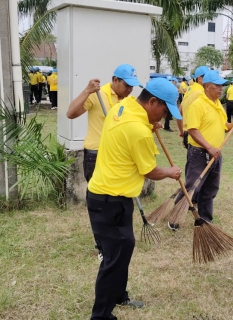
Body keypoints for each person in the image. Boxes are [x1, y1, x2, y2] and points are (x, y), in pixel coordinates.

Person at [86, 77, 183, 320]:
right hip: (110, 200)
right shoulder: (139, 131)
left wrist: (150, 126)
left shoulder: (122, 106)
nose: (164, 117)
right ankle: (101, 315)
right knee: (113, 258)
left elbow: (126, 134)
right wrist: (171, 173)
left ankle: (119, 295)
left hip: (109, 196)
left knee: (125, 246)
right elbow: (149, 170)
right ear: (152, 101)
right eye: (163, 111)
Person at [66, 64, 141, 261]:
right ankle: (101, 245)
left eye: (133, 86)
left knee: (116, 202)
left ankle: (115, 240)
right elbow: (71, 113)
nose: (130, 90)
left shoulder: (129, 101)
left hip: (118, 157)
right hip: (96, 154)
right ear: (115, 80)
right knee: (99, 203)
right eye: (127, 85)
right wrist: (87, 91)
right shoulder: (97, 95)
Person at [170, 70, 233, 230]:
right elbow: (193, 130)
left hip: (215, 153)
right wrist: (209, 147)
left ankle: (205, 220)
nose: (221, 88)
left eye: (222, 85)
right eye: (217, 85)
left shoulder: (217, 105)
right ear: (207, 86)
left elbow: (224, 126)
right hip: (200, 153)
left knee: (210, 188)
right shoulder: (198, 105)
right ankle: (175, 216)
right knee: (192, 186)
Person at [177, 66, 210, 143]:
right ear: (200, 79)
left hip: (187, 132)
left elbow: (179, 112)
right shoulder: (201, 93)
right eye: (208, 77)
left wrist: (182, 132)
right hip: (198, 135)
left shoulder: (189, 90)